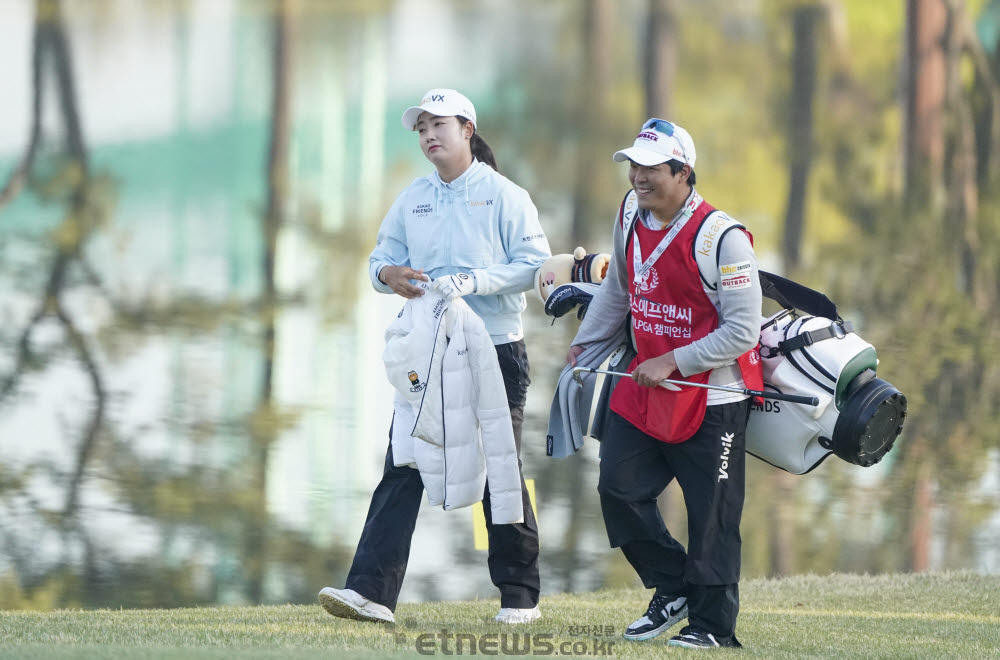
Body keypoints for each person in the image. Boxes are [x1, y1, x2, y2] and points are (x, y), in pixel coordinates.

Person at [319, 88, 550, 625]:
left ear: (467, 130)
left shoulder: (504, 196)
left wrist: (475, 281)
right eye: (421, 127)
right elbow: (382, 259)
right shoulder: (414, 198)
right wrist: (388, 275)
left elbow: (536, 266)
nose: (428, 135)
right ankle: (371, 594)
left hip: (494, 349)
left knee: (500, 469)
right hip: (429, 353)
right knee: (405, 461)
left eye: (438, 125)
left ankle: (519, 595)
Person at [566, 119, 762, 648]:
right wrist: (585, 344)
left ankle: (712, 627)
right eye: (634, 166)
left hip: (713, 397)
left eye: (651, 168)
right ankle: (672, 587)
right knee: (617, 490)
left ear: (683, 172)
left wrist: (674, 360)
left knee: (712, 518)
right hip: (644, 383)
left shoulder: (724, 239)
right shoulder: (630, 213)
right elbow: (619, 289)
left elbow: (744, 332)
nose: (638, 177)